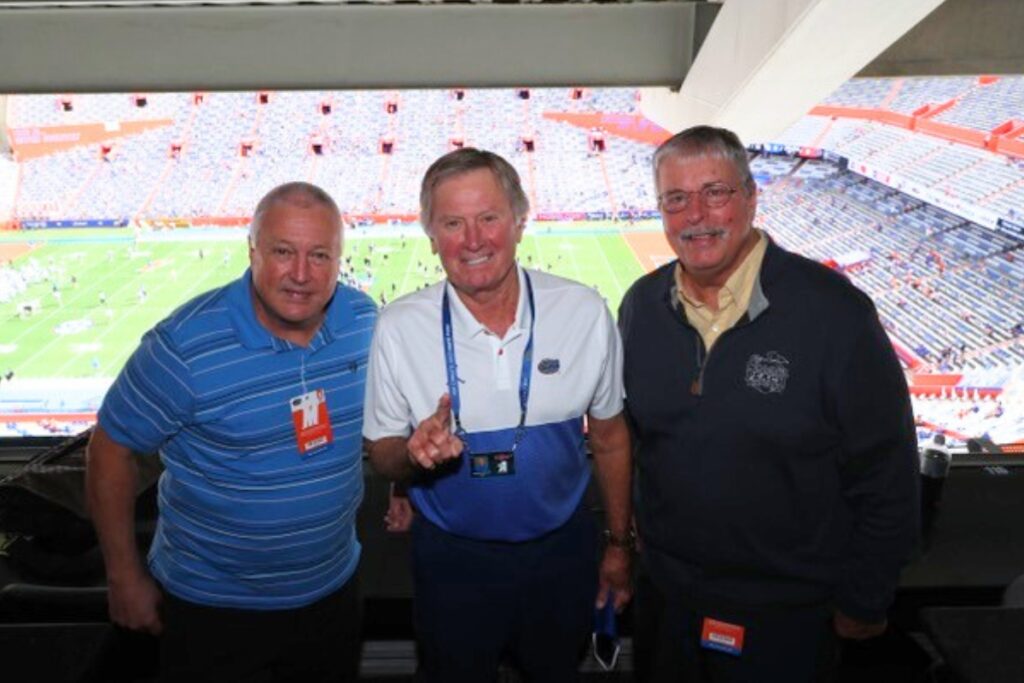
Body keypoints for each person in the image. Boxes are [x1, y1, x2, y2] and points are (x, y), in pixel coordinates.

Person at [618, 126, 919, 682]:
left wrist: (865, 599)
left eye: (716, 192)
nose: (696, 214)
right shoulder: (641, 307)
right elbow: (635, 441)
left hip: (789, 613)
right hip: (669, 601)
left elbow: (888, 474)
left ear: (752, 196)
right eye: (676, 199)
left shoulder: (836, 315)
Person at [85, 182, 376, 683]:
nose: (302, 274)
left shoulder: (365, 321)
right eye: (283, 252)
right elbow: (109, 451)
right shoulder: (183, 348)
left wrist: (408, 484)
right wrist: (123, 575)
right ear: (252, 251)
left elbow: (378, 426)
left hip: (331, 593)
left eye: (320, 255)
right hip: (211, 606)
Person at [363, 148, 633, 682]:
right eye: (453, 223)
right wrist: (413, 456)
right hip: (451, 561)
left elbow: (609, 437)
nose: (473, 240)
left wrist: (619, 545)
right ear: (432, 235)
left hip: (562, 552)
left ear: (519, 221)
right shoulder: (400, 326)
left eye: (488, 218)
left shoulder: (583, 310)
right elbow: (383, 452)